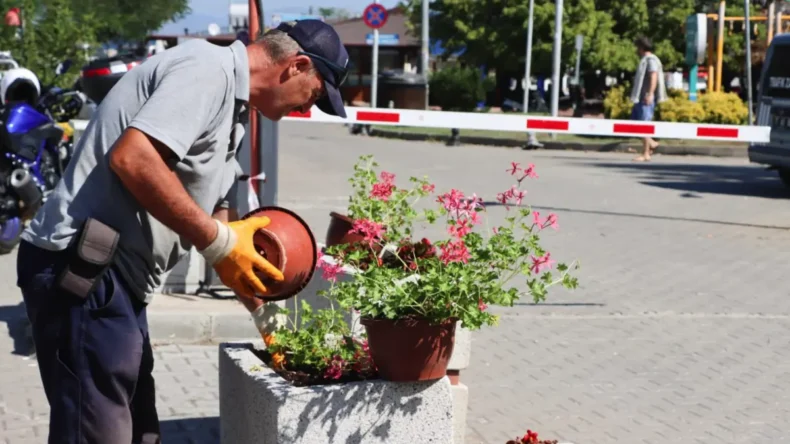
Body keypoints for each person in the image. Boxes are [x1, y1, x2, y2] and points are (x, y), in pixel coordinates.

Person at [15, 19, 348, 444]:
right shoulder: (206, 69)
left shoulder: (234, 113)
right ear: (295, 65)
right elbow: (133, 159)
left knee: (141, 432)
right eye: (315, 95)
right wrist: (219, 242)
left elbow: (225, 231)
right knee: (96, 432)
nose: (306, 110)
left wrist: (266, 317)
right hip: (83, 272)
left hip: (118, 283)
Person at [630, 36, 667, 162]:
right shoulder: (645, 59)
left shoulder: (651, 60)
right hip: (639, 98)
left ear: (641, 47)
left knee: (644, 124)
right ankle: (651, 143)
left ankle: (646, 153)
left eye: (637, 47)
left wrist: (650, 94)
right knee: (635, 124)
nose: (636, 49)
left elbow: (653, 76)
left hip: (646, 98)